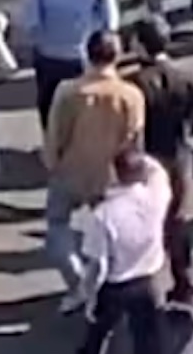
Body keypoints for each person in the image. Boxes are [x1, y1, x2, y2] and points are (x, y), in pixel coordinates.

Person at [65, 149, 174, 354]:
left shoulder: (104, 215)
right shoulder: (156, 198)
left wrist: (88, 295)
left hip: (115, 284)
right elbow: (159, 171)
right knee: (149, 352)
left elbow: (98, 265)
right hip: (148, 282)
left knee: (98, 328)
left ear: (116, 174)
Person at [42, 28, 145, 311]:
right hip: (112, 175)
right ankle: (106, 283)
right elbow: (134, 138)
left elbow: (55, 134)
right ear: (119, 55)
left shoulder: (68, 91)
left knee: (57, 226)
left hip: (71, 171)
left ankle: (78, 283)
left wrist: (52, 162)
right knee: (110, 235)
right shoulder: (131, 95)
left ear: (87, 55)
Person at [129, 17, 193, 292]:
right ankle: (183, 281)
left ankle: (146, 281)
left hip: (147, 160)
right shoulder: (189, 79)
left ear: (141, 45)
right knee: (177, 221)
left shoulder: (134, 84)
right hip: (179, 157)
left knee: (144, 222)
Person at [18, 0, 123, 139]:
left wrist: (37, 41)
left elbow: (31, 18)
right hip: (85, 55)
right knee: (86, 106)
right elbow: (110, 16)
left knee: (50, 105)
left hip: (49, 54)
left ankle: (52, 147)